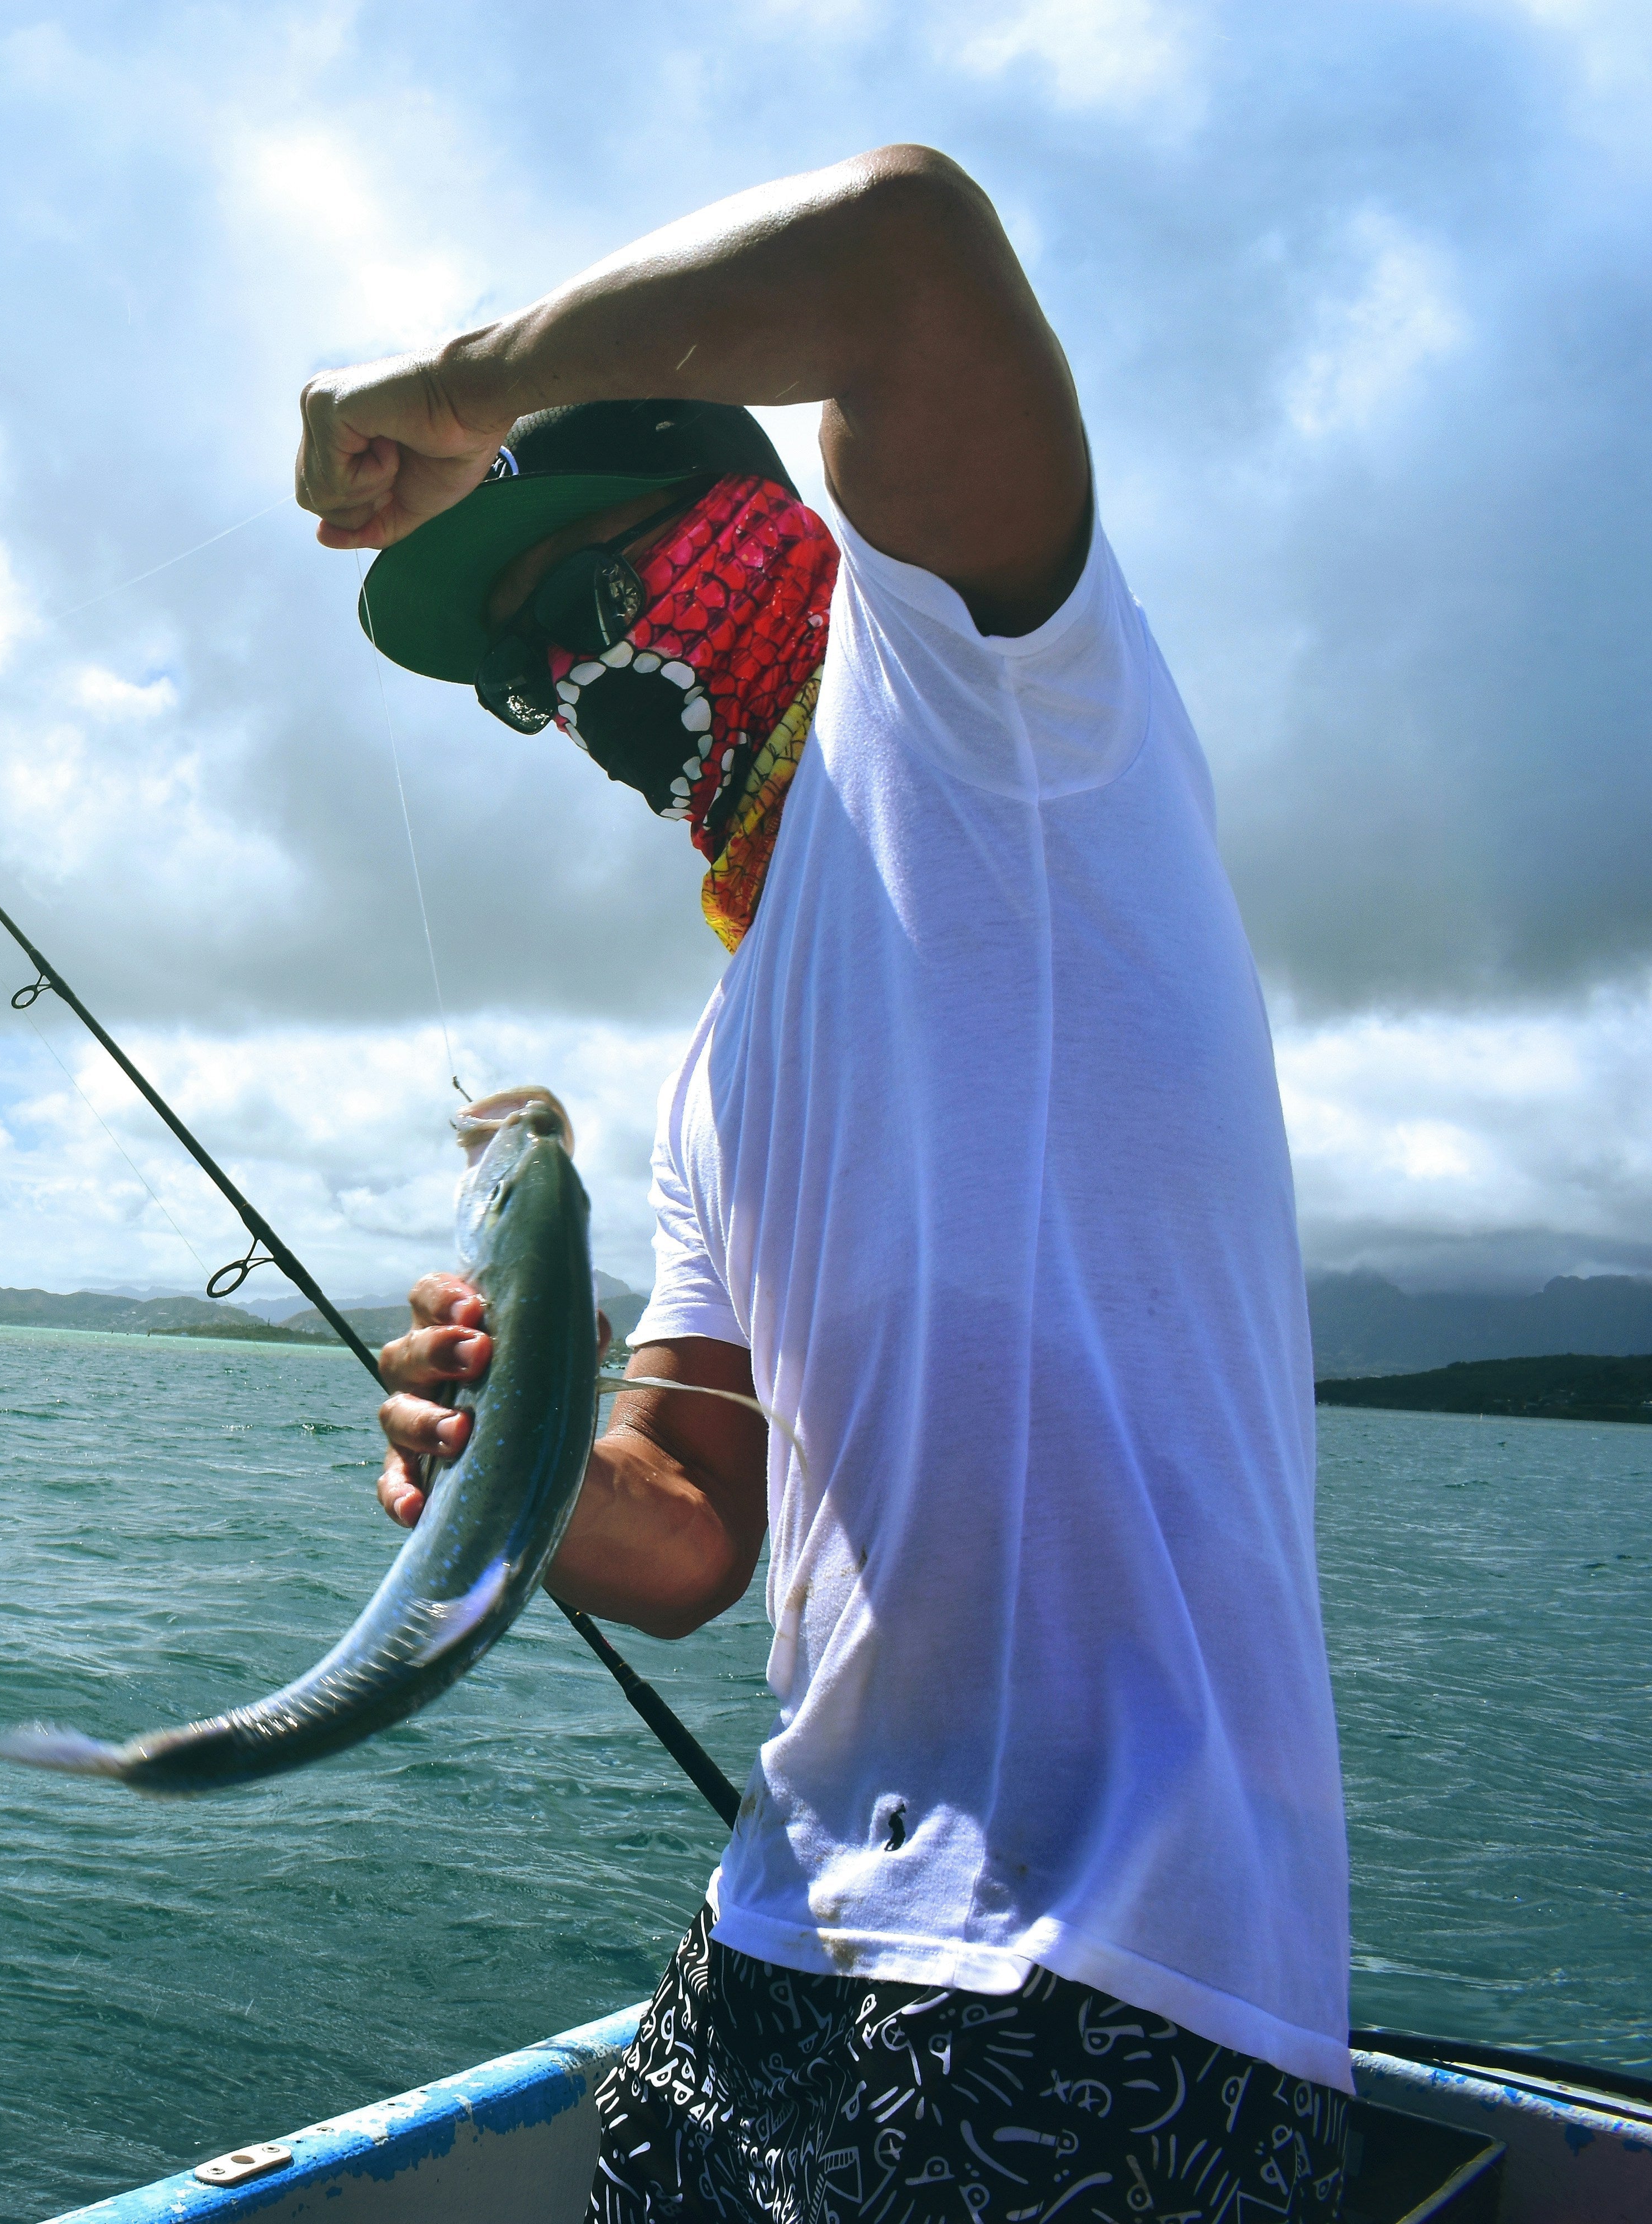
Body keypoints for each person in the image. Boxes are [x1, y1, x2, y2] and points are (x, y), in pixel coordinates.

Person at [295, 146, 1352, 2224]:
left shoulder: (991, 703)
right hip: (777, 1944)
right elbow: (688, 1536)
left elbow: (902, 252)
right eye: (530, 676)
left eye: (585, 601)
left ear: (756, 528)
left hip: (1113, 1977)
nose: (574, 698)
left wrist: (469, 379)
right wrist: (508, 1448)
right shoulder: (715, 1064)